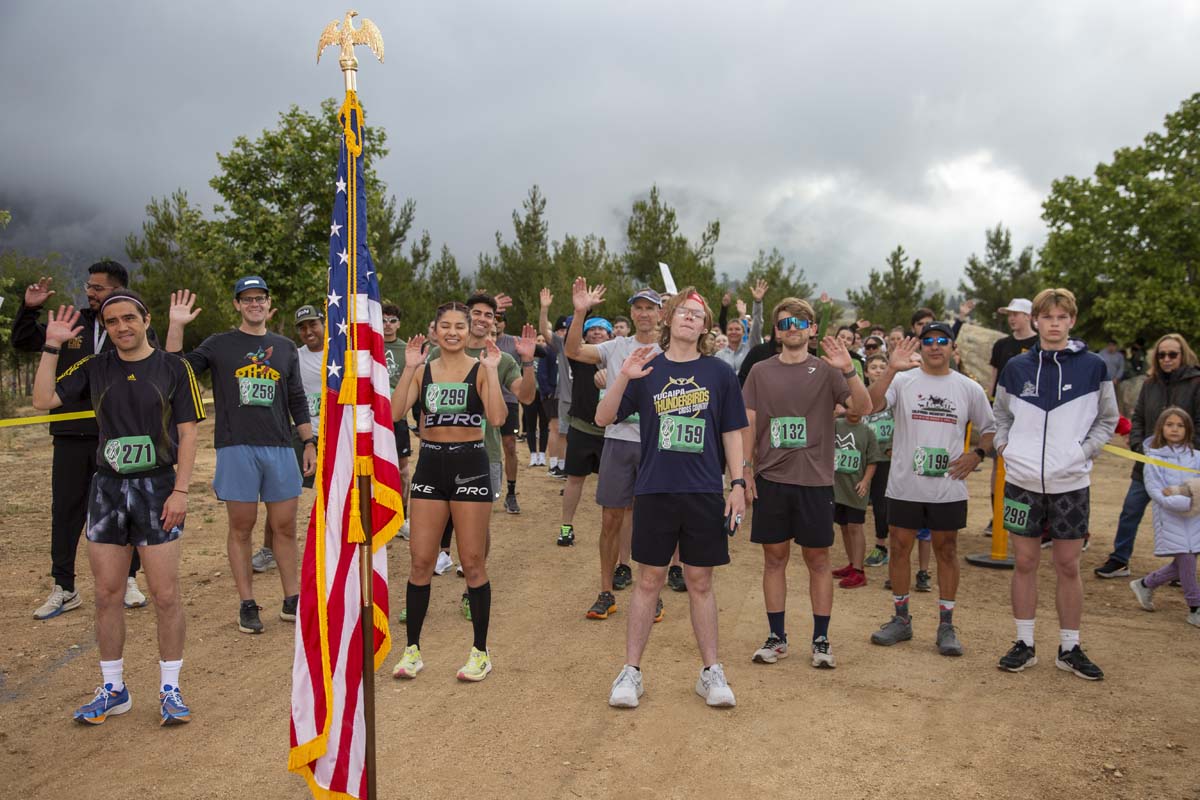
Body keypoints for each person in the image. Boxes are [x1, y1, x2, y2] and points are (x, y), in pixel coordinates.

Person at [32, 291, 203, 725]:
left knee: (165, 595)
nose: (122, 327)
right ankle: (113, 689)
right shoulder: (95, 367)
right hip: (107, 490)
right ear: (105, 328)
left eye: (129, 318)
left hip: (158, 489)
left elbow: (188, 433)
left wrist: (181, 491)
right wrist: (52, 346)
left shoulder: (173, 368)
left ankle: (171, 689)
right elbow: (43, 400)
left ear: (146, 320)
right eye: (112, 322)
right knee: (107, 594)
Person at [599, 288, 748, 709]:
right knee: (649, 580)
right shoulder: (647, 367)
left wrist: (737, 485)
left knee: (700, 581)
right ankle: (631, 672)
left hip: (703, 490)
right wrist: (625, 375)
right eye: (682, 311)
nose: (688, 318)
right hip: (654, 489)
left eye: (696, 314)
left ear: (705, 327)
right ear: (669, 319)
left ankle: (711, 672)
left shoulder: (720, 373)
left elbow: (732, 432)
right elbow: (603, 417)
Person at [166, 279, 315, 634]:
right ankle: (247, 603)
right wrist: (176, 326)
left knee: (284, 527)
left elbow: (296, 397)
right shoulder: (219, 345)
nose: (254, 304)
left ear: (268, 302)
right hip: (236, 447)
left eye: (260, 298)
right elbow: (175, 372)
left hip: (280, 447)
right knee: (242, 527)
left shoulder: (283, 347)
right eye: (247, 299)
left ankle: (291, 599)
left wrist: (308, 442)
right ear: (237, 305)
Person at [993, 288, 1117, 680]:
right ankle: (1024, 643)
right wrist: (1006, 448)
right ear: (1035, 321)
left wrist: (1082, 453)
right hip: (1022, 481)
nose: (1054, 323)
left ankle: (1069, 647)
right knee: (1025, 562)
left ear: (1072, 321)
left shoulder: (1094, 366)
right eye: (1047, 317)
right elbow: (1001, 416)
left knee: (1068, 564)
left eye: (1062, 317)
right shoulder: (1016, 367)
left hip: (1071, 482)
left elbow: (1107, 420)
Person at [741, 298, 872, 669]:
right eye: (784, 323)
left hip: (815, 481)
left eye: (800, 322)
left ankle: (821, 640)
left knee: (817, 559)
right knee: (774, 559)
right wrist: (745, 471)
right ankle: (777, 637)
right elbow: (749, 423)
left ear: (813, 329)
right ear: (776, 332)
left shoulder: (830, 370)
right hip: (772, 479)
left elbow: (862, 410)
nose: (792, 328)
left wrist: (849, 371)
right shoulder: (760, 372)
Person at [15, 265, 150, 619]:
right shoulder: (70, 321)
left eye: (98, 287)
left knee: (126, 509)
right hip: (72, 436)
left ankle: (130, 579)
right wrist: (29, 310)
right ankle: (64, 586)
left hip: (119, 434)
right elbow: (25, 342)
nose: (90, 292)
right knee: (67, 511)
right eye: (88, 286)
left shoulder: (128, 326)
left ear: (118, 290)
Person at [389, 303, 508, 681]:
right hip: (431, 464)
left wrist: (490, 370)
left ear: (468, 329)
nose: (453, 332)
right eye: (446, 326)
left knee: (472, 562)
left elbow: (498, 418)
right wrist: (409, 367)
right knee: (421, 561)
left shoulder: (480, 368)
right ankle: (412, 651)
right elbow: (394, 412)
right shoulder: (424, 371)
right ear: (435, 330)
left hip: (470, 463)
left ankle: (480, 652)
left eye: (460, 325)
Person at [866, 322, 995, 656]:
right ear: (920, 346)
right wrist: (891, 368)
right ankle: (901, 619)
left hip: (947, 487)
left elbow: (992, 429)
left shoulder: (969, 388)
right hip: (905, 484)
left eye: (942, 341)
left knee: (947, 550)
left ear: (953, 348)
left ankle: (946, 625)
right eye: (928, 341)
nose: (935, 346)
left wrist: (977, 454)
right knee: (898, 548)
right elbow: (870, 405)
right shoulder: (904, 381)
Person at [563, 280, 664, 619]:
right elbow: (574, 351)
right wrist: (580, 312)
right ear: (632, 312)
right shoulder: (617, 345)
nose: (644, 313)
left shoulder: (671, 350)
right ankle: (606, 591)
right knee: (611, 518)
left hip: (657, 443)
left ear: (661, 313)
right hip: (619, 440)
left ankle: (653, 593)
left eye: (650, 307)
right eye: (638, 307)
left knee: (654, 521)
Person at [1094, 334, 1200, 578]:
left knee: (1185, 516)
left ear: (1183, 355)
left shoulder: (1196, 383)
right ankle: (1120, 559)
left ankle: (1182, 570)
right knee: (1131, 509)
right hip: (1149, 464)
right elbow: (1139, 417)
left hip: (1183, 466)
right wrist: (1138, 445)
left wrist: (1187, 454)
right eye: (1161, 354)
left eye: (1172, 354)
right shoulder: (1150, 383)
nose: (1166, 359)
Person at [252, 303, 326, 573]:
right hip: (302, 433)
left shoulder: (339, 355)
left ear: (324, 323)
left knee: (340, 496)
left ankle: (339, 548)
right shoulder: (294, 354)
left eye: (313, 324)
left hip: (335, 435)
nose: (308, 331)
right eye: (302, 327)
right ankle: (269, 550)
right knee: (280, 496)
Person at [1129, 407, 1200, 627]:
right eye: (1170, 424)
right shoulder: (1153, 459)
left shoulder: (1196, 457)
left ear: (1188, 429)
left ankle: (1145, 584)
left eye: (1180, 425)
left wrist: (1182, 492)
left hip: (1195, 518)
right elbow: (1157, 493)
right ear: (1161, 428)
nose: (1175, 429)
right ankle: (1195, 608)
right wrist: (1190, 500)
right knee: (1186, 560)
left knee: (1184, 563)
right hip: (1171, 518)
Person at [556, 315, 612, 550]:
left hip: (612, 432)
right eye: (592, 330)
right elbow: (570, 341)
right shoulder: (579, 359)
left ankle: (611, 531)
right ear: (585, 336)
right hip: (581, 427)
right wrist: (582, 313)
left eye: (602, 329)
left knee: (611, 486)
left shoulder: (621, 357)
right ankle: (566, 526)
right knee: (574, 479)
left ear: (611, 335)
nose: (597, 332)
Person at [831, 406, 884, 589]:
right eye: (850, 405)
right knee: (844, 527)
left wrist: (865, 481)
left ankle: (859, 571)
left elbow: (872, 461)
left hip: (856, 488)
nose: (854, 410)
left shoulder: (868, 432)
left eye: (859, 406)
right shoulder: (836, 425)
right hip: (837, 488)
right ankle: (852, 564)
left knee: (855, 526)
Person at [380, 303, 413, 539]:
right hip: (372, 418)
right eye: (384, 320)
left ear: (399, 324)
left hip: (398, 418)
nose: (388, 325)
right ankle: (377, 515)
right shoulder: (370, 346)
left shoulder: (406, 350)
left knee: (402, 470)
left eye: (392, 320)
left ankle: (402, 516)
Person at [863, 354, 894, 568]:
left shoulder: (895, 397)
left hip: (886, 458)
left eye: (883, 366)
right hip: (863, 461)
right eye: (873, 367)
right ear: (866, 372)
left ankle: (881, 545)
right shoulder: (859, 395)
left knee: (882, 505)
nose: (878, 370)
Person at [715, 281, 767, 374]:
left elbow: (757, 325)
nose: (733, 332)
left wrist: (758, 302)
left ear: (744, 332)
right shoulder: (719, 355)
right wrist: (724, 307)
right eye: (730, 329)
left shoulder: (750, 347)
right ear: (726, 332)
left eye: (737, 329)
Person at [523, 334, 551, 466]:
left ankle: (542, 455)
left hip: (544, 395)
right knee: (531, 425)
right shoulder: (526, 357)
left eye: (543, 341)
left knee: (544, 426)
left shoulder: (548, 358)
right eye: (538, 341)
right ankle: (533, 454)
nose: (540, 343)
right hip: (530, 395)